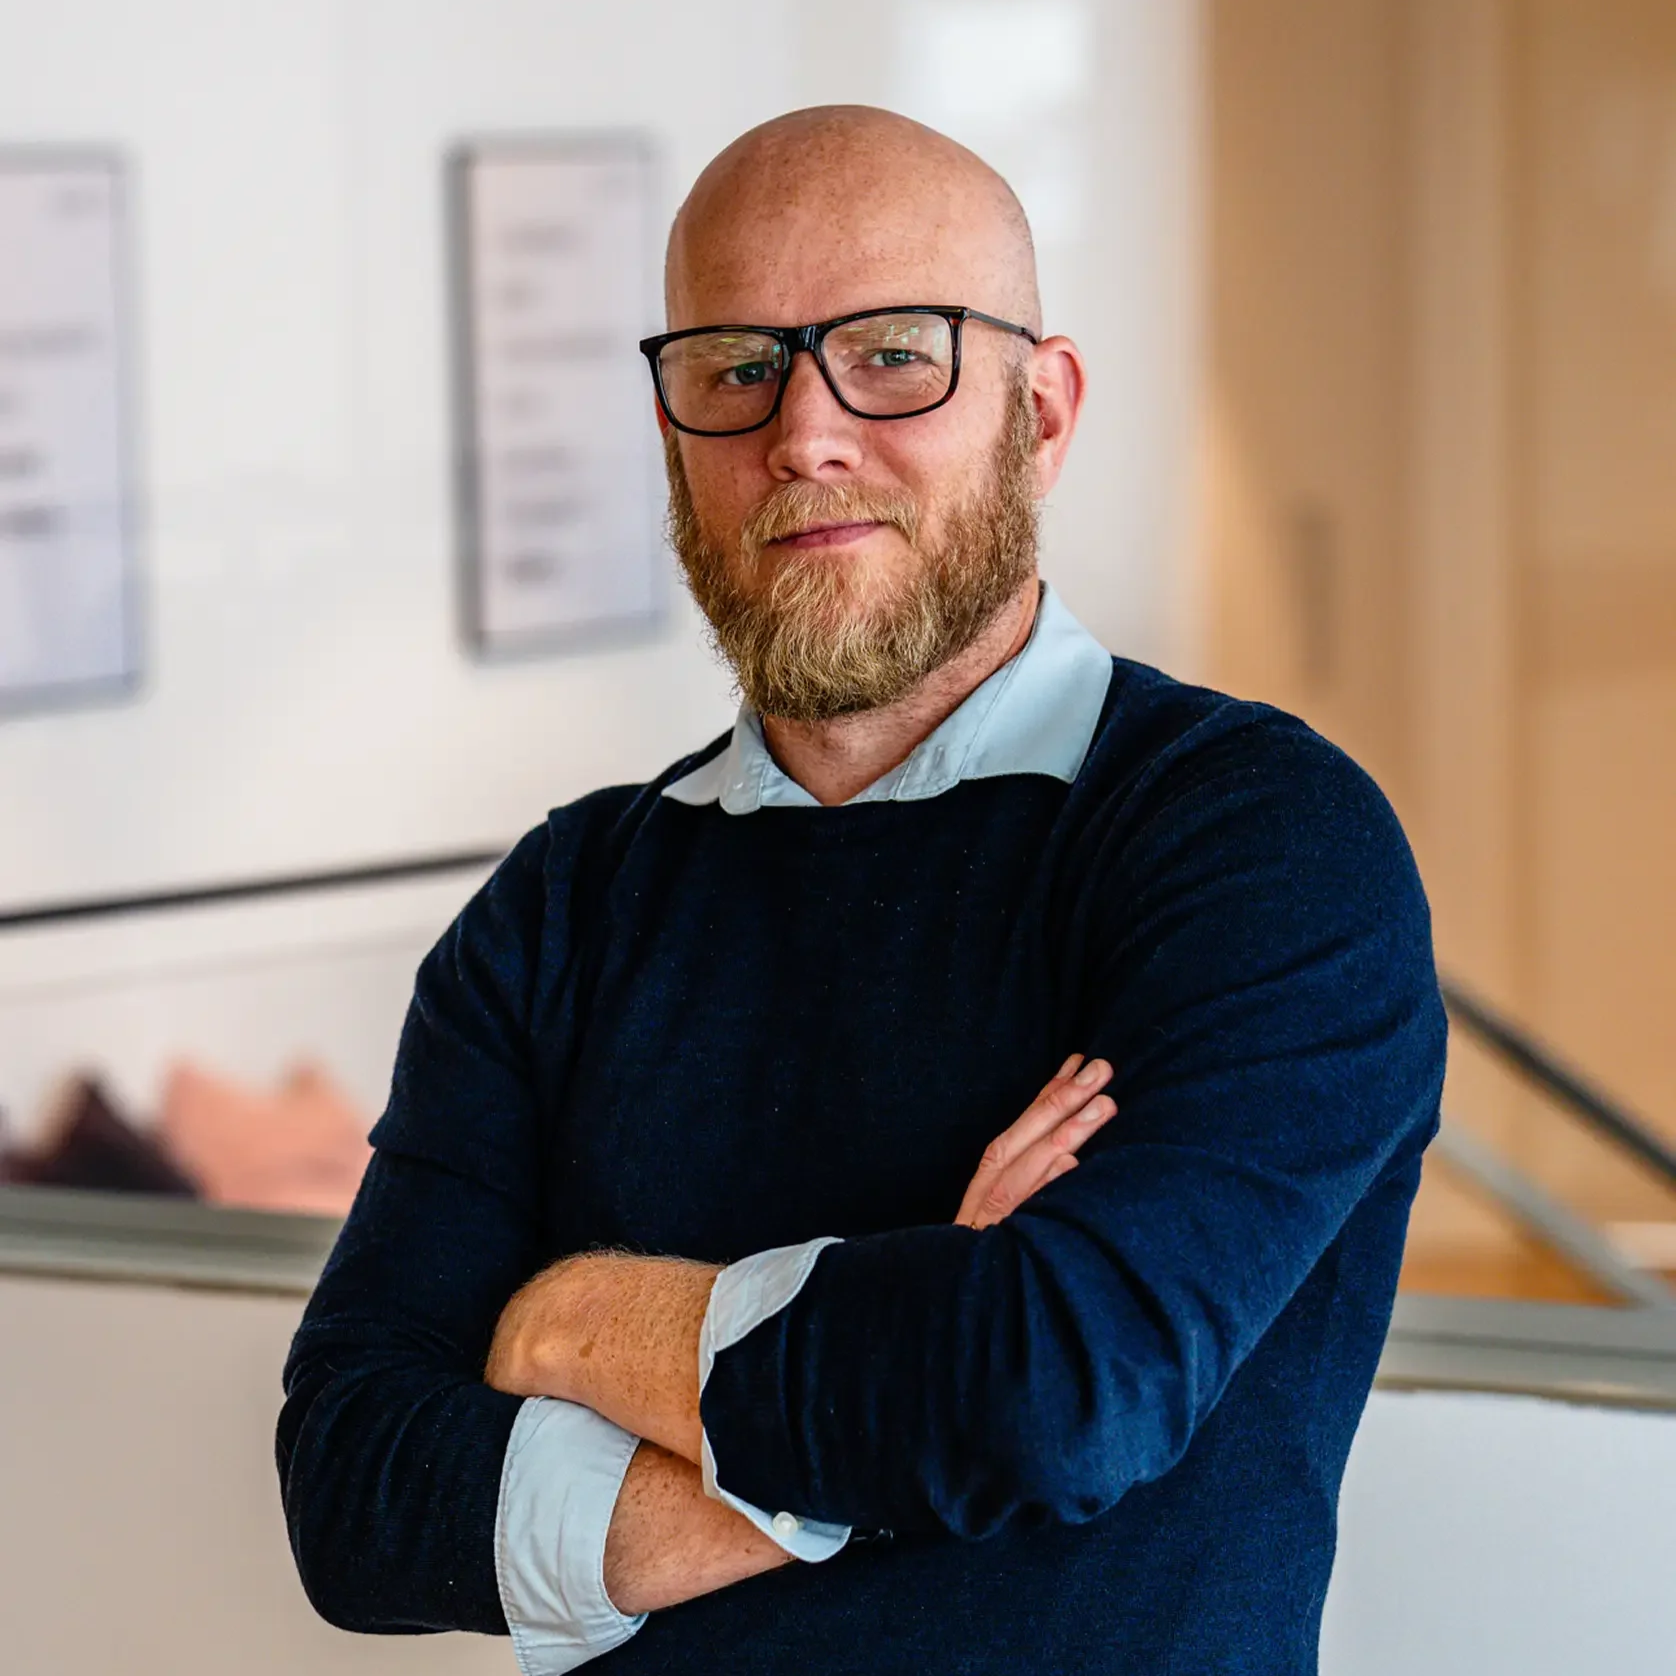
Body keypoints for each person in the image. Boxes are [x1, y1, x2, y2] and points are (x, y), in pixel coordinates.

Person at [278, 105, 1445, 1675]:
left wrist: (570, 1325)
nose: (805, 431)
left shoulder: (1258, 844)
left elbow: (1049, 1394)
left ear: (1041, 413)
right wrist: (896, 1375)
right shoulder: (563, 907)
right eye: (736, 366)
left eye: (896, 354)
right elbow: (354, 1499)